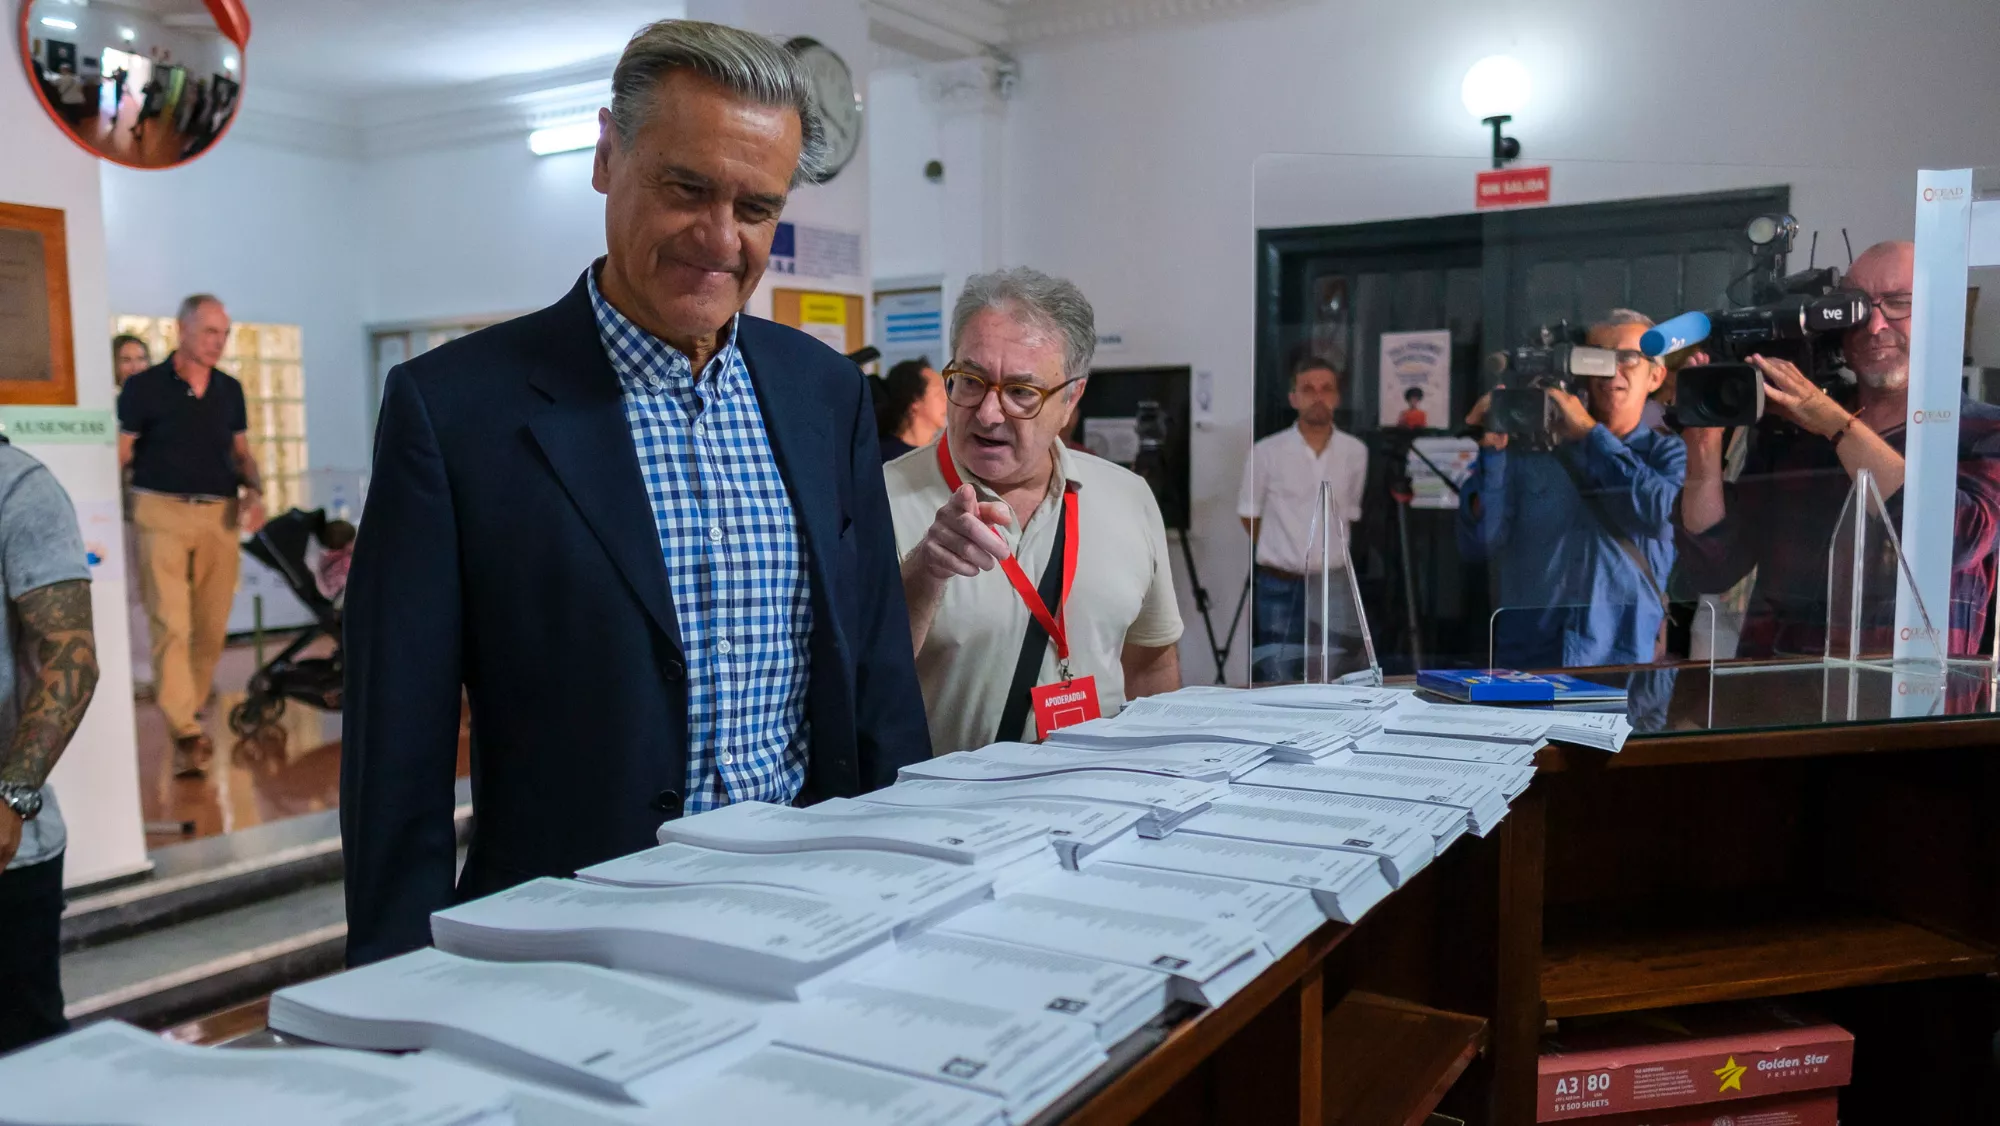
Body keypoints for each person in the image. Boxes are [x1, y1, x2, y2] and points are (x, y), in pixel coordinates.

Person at [341, 20, 929, 965]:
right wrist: (395, 990)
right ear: (608, 155)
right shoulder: (456, 412)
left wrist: (912, 895)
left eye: (756, 207)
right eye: (687, 188)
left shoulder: (824, 395)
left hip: (807, 914)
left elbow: (875, 678)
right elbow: (395, 753)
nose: (721, 239)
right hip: (567, 940)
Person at [888, 267, 1182, 755]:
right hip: (945, 798)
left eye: (1021, 392)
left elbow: (1151, 662)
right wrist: (923, 573)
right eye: (970, 381)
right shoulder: (877, 499)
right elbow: (855, 681)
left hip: (1096, 791)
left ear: (1071, 399)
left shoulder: (1127, 496)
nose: (988, 413)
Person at [1677, 240, 2000, 657]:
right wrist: (1703, 448)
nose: (1874, 326)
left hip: (1908, 689)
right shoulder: (1793, 427)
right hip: (1776, 685)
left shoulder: (1982, 431)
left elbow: (1954, 541)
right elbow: (1713, 567)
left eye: (1899, 304)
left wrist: (1831, 421)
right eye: (1857, 307)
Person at [1459, 311, 1686, 668]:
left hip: (1623, 665)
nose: (1611, 370)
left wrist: (1590, 434)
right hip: (1529, 663)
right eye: (1598, 357)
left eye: (1628, 358)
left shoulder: (1667, 454)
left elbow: (1662, 516)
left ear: (1655, 376)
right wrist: (1493, 452)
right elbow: (1480, 543)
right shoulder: (1532, 449)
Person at [118, 294, 264, 778]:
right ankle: (185, 730)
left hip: (220, 514)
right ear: (182, 331)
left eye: (224, 333)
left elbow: (241, 452)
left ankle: (191, 710)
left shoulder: (229, 389)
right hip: (160, 510)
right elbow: (121, 453)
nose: (218, 342)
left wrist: (256, 491)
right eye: (209, 332)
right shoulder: (143, 388)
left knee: (211, 626)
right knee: (170, 623)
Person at [0, 439, 100, 1052]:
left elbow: (72, 657)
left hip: (8, 860)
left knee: (24, 1065)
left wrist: (12, 796)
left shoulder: (19, 487)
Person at [1237, 356, 1368, 682]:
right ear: (1293, 398)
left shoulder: (1355, 452)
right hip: (1279, 583)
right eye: (1308, 389)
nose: (1318, 397)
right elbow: (1249, 515)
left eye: (1326, 389)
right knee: (1277, 676)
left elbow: (1350, 515)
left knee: (1336, 676)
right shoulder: (1266, 452)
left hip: (1333, 583)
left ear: (1337, 397)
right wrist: (1285, 551)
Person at [875, 357, 947, 464]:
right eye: (938, 393)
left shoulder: (944, 455)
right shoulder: (884, 459)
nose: (946, 399)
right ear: (915, 401)